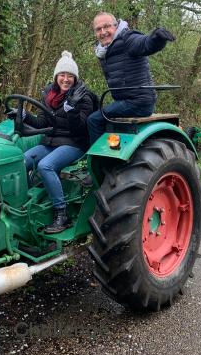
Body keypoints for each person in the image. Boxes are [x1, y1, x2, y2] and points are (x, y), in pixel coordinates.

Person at [9, 51, 95, 234]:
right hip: (51, 141)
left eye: (70, 76)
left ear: (75, 78)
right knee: (21, 162)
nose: (65, 79)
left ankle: (61, 214)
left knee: (45, 166)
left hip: (74, 143)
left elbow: (80, 129)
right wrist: (23, 116)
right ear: (56, 76)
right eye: (62, 75)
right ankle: (27, 204)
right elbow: (42, 123)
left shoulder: (84, 96)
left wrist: (71, 110)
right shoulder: (49, 94)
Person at [87, 12, 175, 143]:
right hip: (125, 101)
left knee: (94, 120)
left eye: (107, 26)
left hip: (138, 102)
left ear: (116, 26)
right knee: (98, 115)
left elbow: (144, 43)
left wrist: (157, 39)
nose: (103, 31)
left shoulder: (127, 39)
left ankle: (99, 158)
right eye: (98, 29)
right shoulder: (104, 50)